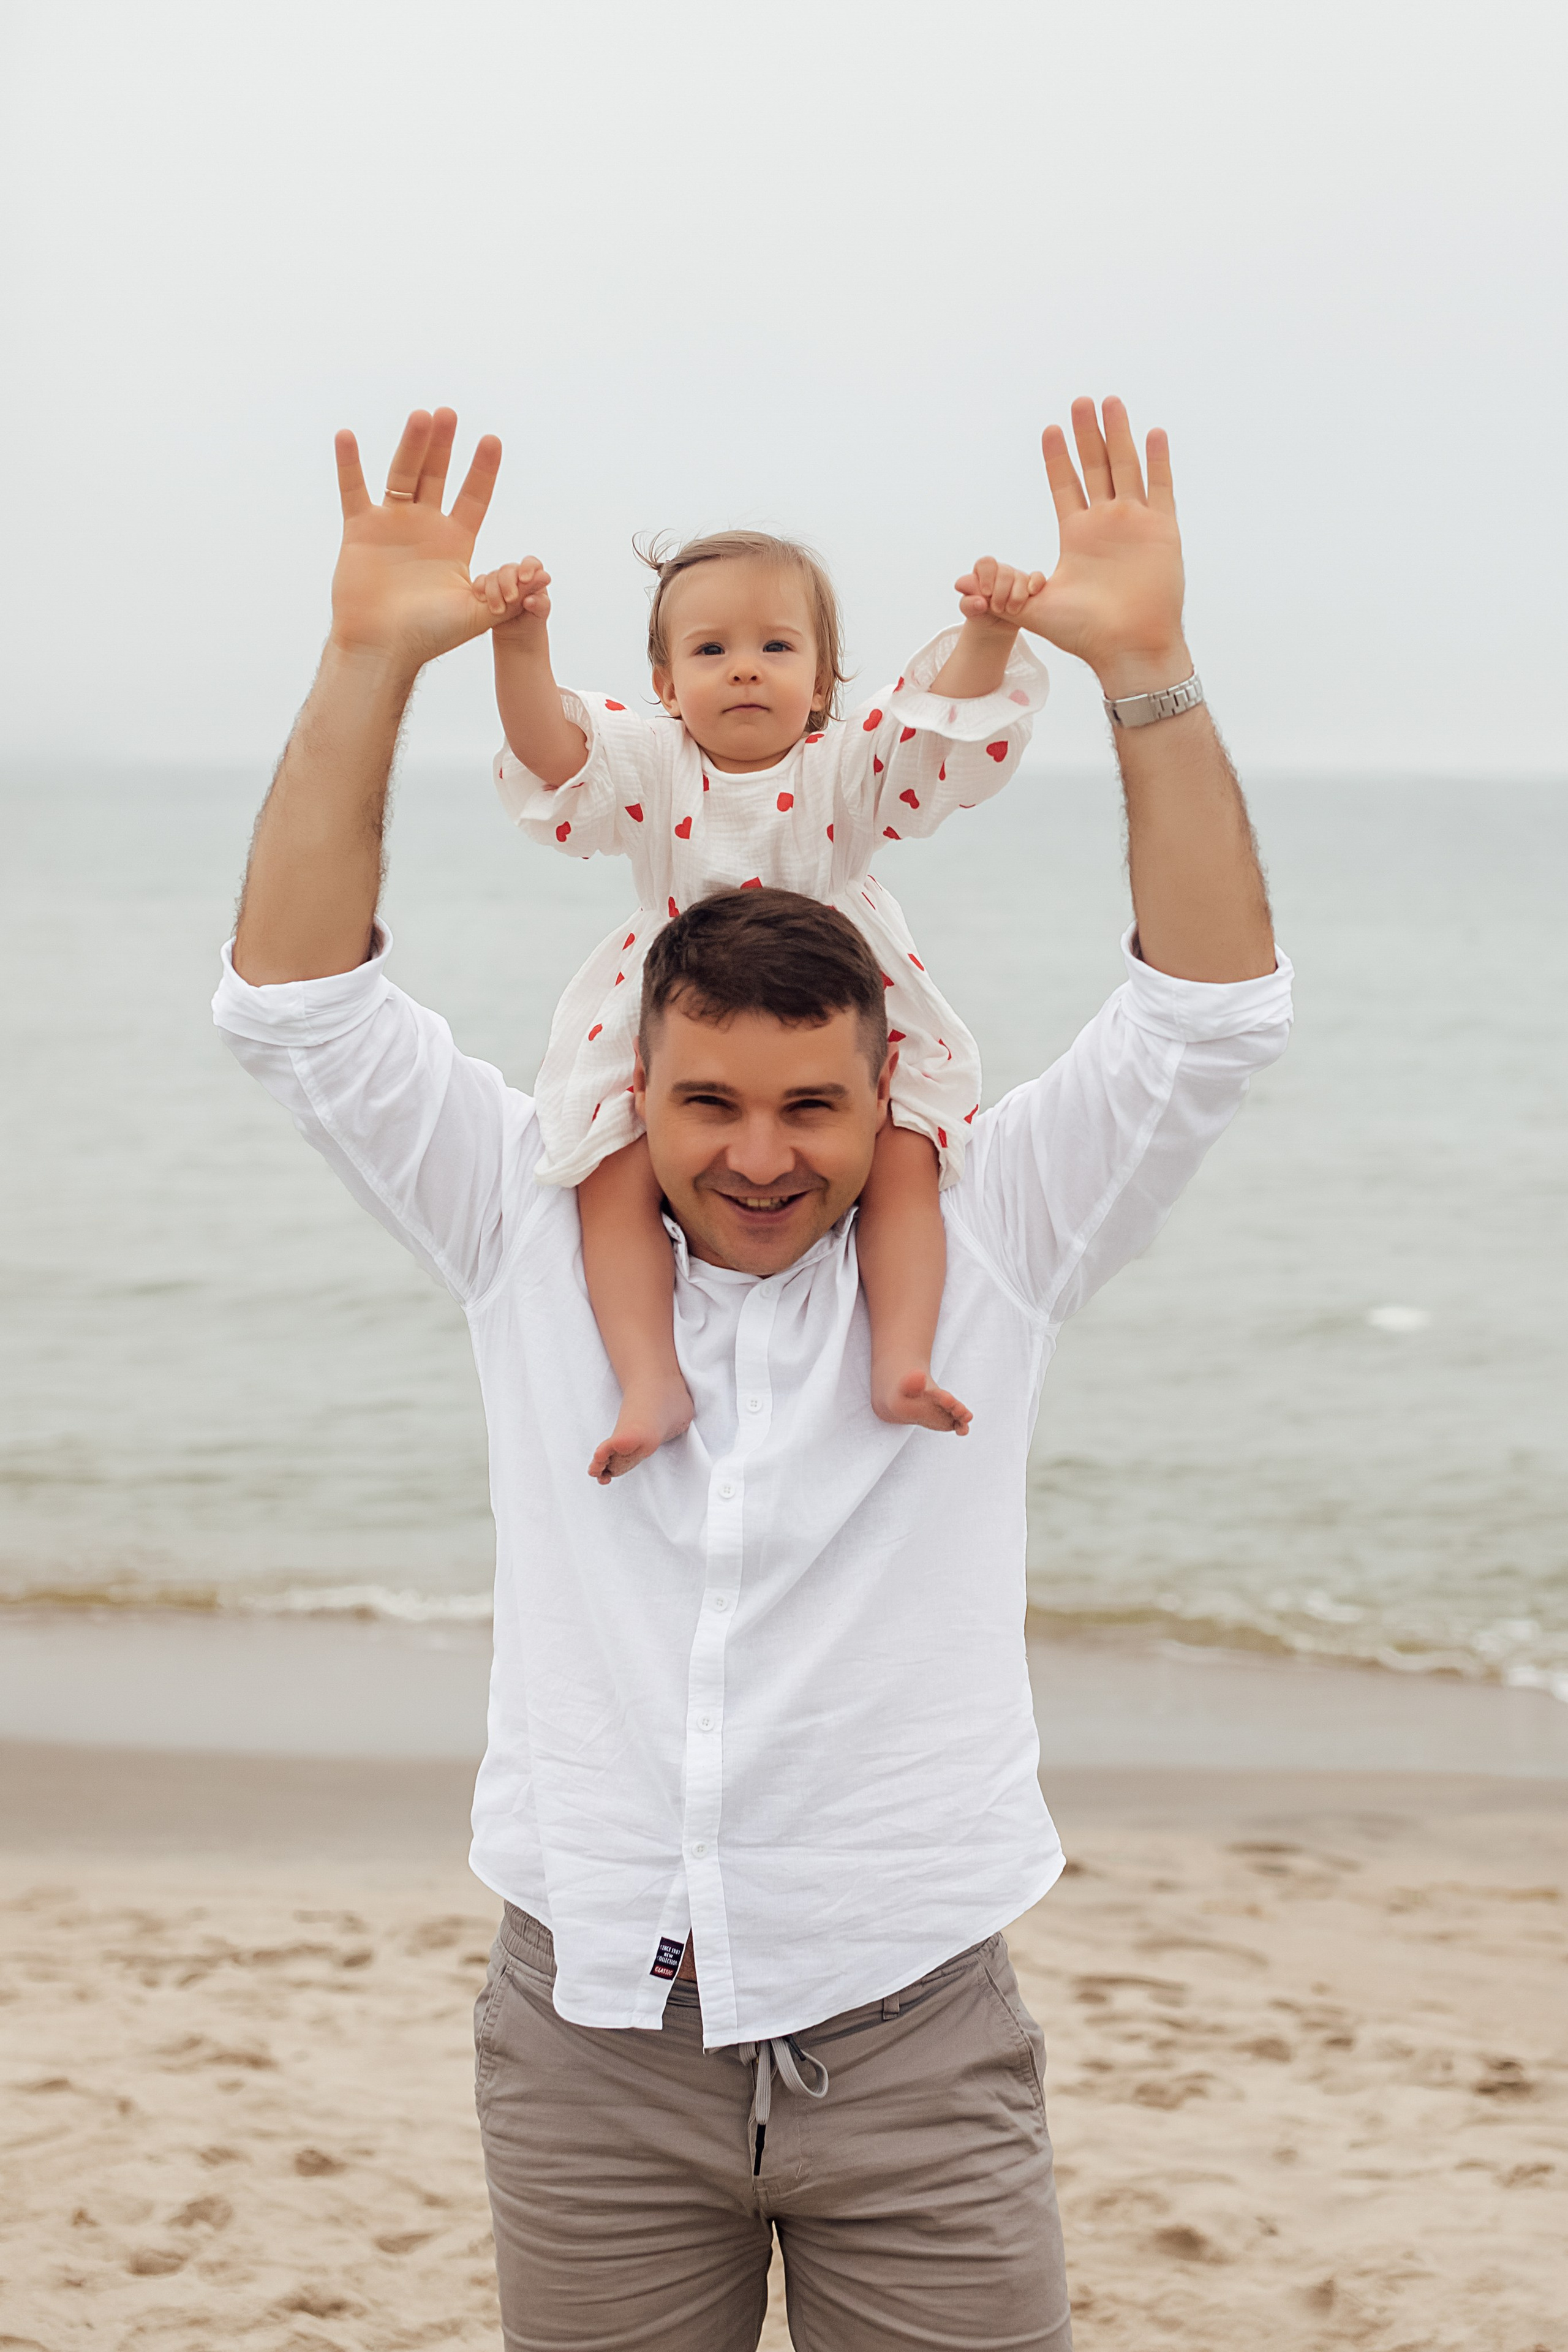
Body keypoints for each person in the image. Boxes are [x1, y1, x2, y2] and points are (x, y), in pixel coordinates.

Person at [216, 396, 1290, 2352]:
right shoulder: (522, 1220)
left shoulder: (1004, 1232)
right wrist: (369, 665)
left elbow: (1206, 1026)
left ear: (898, 1083)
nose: (762, 1154)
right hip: (591, 2050)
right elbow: (299, 1013)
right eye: (706, 1102)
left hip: (913, 2037)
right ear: (634, 1087)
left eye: (816, 1105)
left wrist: (1147, 676)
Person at [472, 528, 1050, 1482]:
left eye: (776, 648)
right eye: (711, 650)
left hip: (839, 996)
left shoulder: (841, 770)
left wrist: (983, 634)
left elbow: (940, 739)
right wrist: (518, 643)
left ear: (823, 682)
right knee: (607, 1161)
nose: (745, 670)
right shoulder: (655, 766)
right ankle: (650, 1376)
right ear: (664, 684)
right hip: (676, 996)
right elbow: (554, 755)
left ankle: (900, 1358)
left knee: (906, 1151)